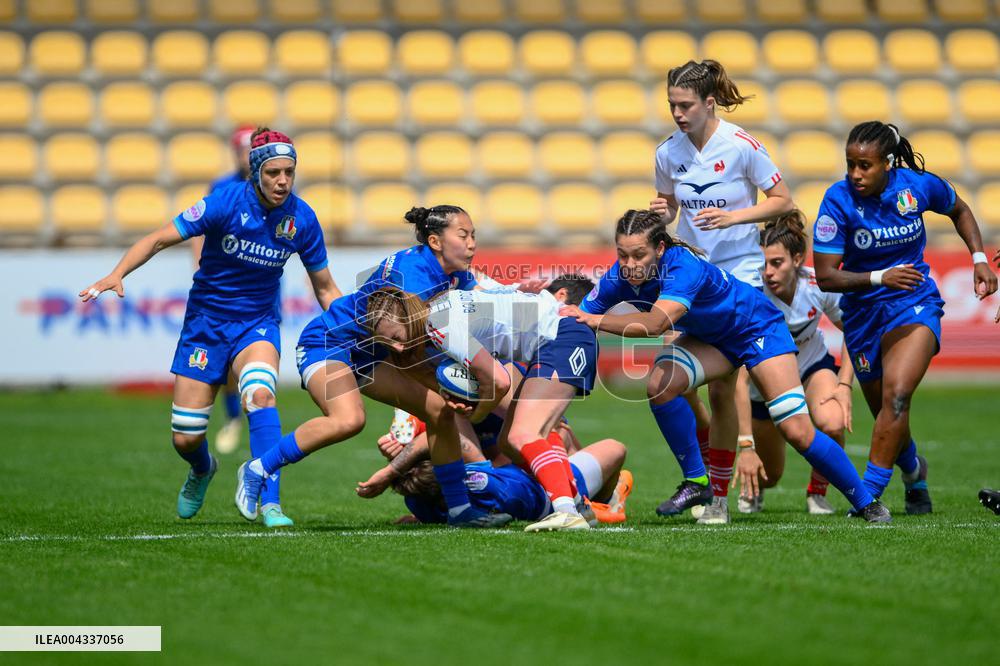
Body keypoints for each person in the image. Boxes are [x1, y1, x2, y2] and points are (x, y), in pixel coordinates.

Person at [80, 128, 340, 527]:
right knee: (185, 437)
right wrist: (117, 273)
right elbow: (159, 239)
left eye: (289, 172)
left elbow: (324, 287)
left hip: (258, 324)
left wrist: (348, 325)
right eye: (273, 172)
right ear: (256, 172)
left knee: (260, 396)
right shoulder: (224, 202)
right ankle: (202, 468)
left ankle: (270, 503)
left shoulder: (302, 218)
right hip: (205, 325)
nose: (282, 181)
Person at [564, 209, 890, 524]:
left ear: (660, 248)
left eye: (639, 255)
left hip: (756, 327)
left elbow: (655, 324)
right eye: (622, 255)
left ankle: (867, 502)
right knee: (661, 386)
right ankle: (699, 483)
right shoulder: (619, 277)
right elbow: (579, 316)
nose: (629, 265)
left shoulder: (681, 266)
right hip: (714, 340)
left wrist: (596, 320)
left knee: (797, 431)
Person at [233, 206, 513, 528]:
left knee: (440, 412)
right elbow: (408, 350)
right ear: (435, 241)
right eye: (463, 235)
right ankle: (257, 469)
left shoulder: (453, 273)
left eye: (473, 235)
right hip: (329, 342)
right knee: (348, 420)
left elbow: (480, 305)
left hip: (374, 352)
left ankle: (460, 511)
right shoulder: (412, 279)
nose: (472, 243)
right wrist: (454, 385)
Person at [813, 122, 997, 516]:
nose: (855, 174)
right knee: (886, 411)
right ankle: (914, 472)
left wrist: (979, 258)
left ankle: (868, 496)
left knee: (897, 396)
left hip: (913, 302)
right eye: (850, 164)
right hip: (862, 315)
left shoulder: (916, 187)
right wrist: (880, 277)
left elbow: (960, 209)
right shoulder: (837, 201)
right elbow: (826, 275)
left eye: (865, 165)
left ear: (888, 164)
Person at [651, 59, 796, 520]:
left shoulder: (741, 146)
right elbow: (670, 208)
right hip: (693, 276)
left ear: (709, 103)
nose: (678, 113)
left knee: (721, 386)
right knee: (688, 386)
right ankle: (709, 487)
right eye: (672, 105)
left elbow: (783, 201)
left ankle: (715, 496)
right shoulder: (667, 153)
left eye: (686, 105)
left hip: (739, 275)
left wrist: (735, 217)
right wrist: (662, 213)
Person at [365, 276, 601, 532]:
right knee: (509, 441)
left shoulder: (440, 325)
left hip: (561, 335)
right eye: (388, 344)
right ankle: (579, 505)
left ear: (408, 318)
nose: (398, 348)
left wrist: (477, 414)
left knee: (524, 434)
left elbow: (499, 381)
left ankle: (567, 513)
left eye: (396, 337)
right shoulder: (438, 311)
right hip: (557, 337)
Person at [735, 212, 855, 515]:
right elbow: (738, 378)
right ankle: (755, 490)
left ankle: (818, 493)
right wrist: (745, 443)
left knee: (833, 421)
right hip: (765, 386)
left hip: (811, 367)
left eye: (777, 263)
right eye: (763, 264)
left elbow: (854, 331)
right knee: (771, 475)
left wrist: (844, 385)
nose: (768, 272)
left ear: (798, 259)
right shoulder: (752, 295)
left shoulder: (819, 284)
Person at [191, 125, 254, 456]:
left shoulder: (276, 185)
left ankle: (256, 417)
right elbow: (201, 229)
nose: (247, 156)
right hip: (225, 285)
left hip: (260, 286)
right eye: (243, 150)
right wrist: (200, 264)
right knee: (229, 360)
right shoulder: (221, 186)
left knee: (256, 354)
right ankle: (233, 417)